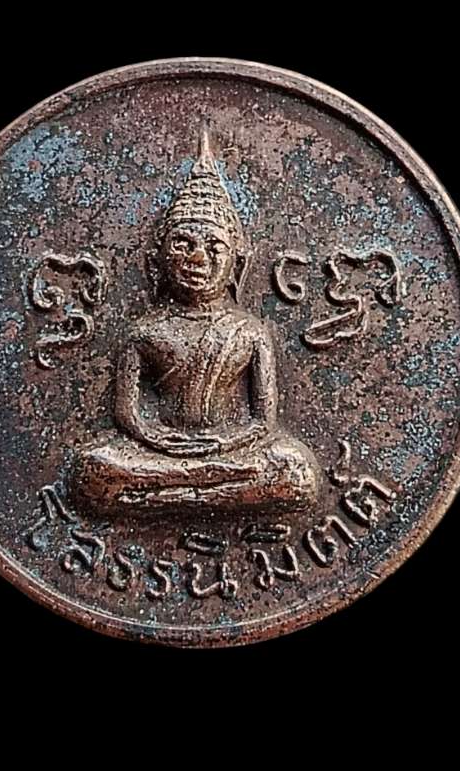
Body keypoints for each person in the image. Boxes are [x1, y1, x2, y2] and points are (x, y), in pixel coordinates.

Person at [73, 126, 321, 511]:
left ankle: (168, 497)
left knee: (295, 470)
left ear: (238, 263)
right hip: (159, 452)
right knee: (94, 469)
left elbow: (263, 421)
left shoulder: (249, 332)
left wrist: (223, 442)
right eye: (182, 244)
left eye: (214, 247)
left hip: (230, 451)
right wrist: (158, 439)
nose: (198, 259)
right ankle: (205, 495)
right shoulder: (145, 332)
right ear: (157, 261)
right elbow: (127, 414)